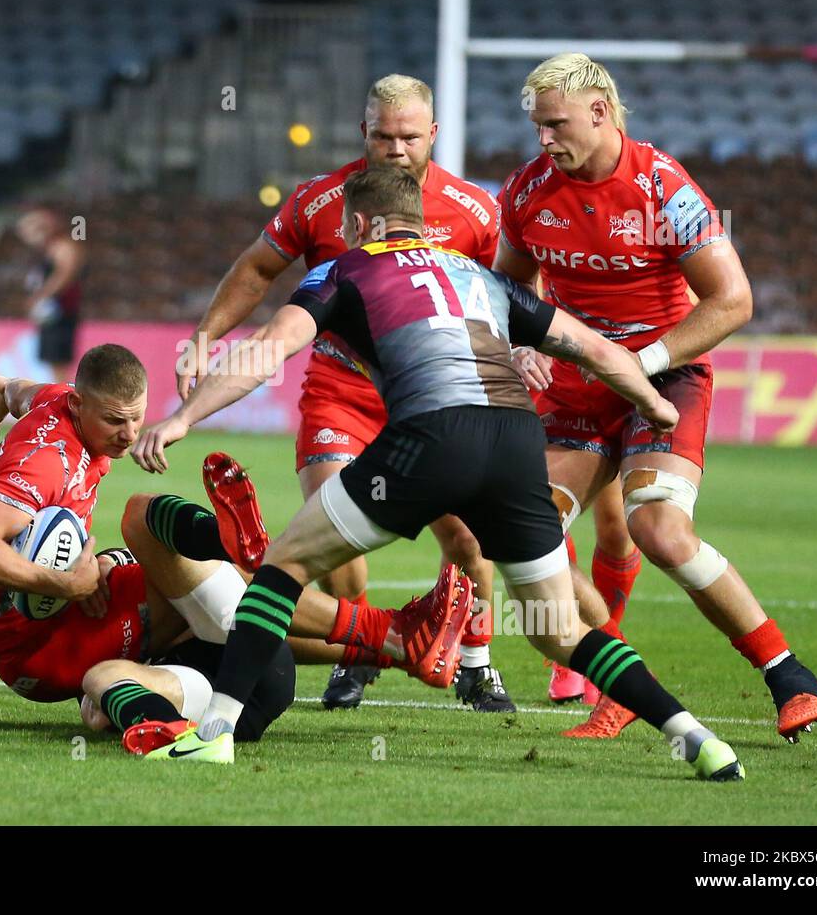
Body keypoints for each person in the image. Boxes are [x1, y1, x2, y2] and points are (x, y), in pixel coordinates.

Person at [132, 165, 744, 782]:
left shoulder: (344, 270)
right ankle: (697, 738)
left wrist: (186, 416)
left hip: (431, 438)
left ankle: (216, 734)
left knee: (280, 569)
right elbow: (594, 348)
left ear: (360, 224)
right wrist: (656, 404)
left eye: (346, 226)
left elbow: (270, 346)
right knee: (558, 629)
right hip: (513, 442)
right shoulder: (479, 275)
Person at [494, 53, 817, 742]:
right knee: (529, 534)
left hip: (665, 376)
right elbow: (507, 289)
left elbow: (732, 301)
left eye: (555, 125)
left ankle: (786, 672)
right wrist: (522, 342)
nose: (544, 142)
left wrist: (637, 363)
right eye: (536, 128)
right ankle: (620, 683)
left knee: (658, 529)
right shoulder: (528, 192)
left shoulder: (662, 186)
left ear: (600, 111)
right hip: (578, 385)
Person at [180, 73, 513, 712]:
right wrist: (205, 335)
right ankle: (360, 654)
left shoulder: (474, 211)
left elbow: (510, 289)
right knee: (336, 523)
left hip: (434, 392)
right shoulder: (317, 202)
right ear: (364, 132)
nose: (395, 149)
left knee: (467, 537)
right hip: (342, 390)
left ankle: (477, 661)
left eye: (410, 137)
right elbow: (257, 267)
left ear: (434, 135)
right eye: (383, 136)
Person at [0, 348, 465, 733]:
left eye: (136, 418)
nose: (128, 435)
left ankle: (384, 639)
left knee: (127, 653)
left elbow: (21, 391)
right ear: (79, 405)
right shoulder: (43, 461)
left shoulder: (60, 404)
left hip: (216, 665)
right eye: (114, 422)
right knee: (157, 534)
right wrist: (63, 582)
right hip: (31, 635)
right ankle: (388, 634)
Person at [15, 207, 84, 383]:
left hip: (62, 313)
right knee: (52, 361)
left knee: (59, 362)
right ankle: (58, 396)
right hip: (51, 314)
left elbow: (64, 275)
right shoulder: (48, 251)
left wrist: (41, 296)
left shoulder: (65, 247)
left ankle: (63, 399)